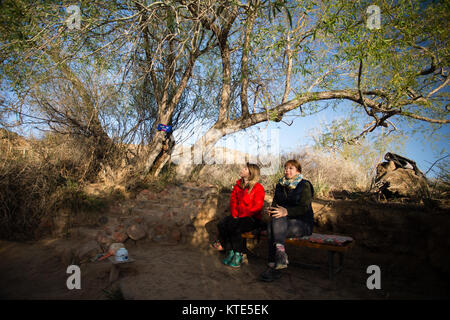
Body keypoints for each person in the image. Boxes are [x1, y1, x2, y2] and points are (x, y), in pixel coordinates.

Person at [259, 159, 314, 282]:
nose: (287, 171)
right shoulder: (280, 185)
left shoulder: (305, 185)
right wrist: (271, 210)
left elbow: (304, 208)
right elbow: (275, 204)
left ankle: (273, 266)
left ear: (298, 171)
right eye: (285, 168)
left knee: (273, 227)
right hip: (282, 224)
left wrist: (286, 211)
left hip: (302, 223)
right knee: (274, 222)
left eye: (291, 168)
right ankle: (279, 257)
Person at [212, 163, 265, 268]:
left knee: (235, 226)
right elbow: (233, 202)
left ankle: (238, 254)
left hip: (252, 218)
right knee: (222, 224)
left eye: (245, 169)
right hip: (238, 216)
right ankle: (230, 250)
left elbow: (257, 207)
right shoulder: (238, 186)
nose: (242, 169)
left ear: (251, 173)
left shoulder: (258, 188)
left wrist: (241, 216)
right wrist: (235, 215)